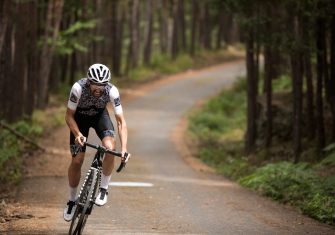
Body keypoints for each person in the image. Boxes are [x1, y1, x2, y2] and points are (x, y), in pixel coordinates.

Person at [63, 63, 128, 222]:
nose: (98, 89)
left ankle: (104, 189)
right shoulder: (78, 88)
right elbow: (69, 116)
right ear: (88, 82)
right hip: (79, 119)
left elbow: (121, 122)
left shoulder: (112, 90)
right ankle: (72, 200)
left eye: (102, 86)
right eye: (95, 85)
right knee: (77, 161)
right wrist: (77, 134)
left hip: (100, 117)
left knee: (111, 148)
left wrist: (124, 148)